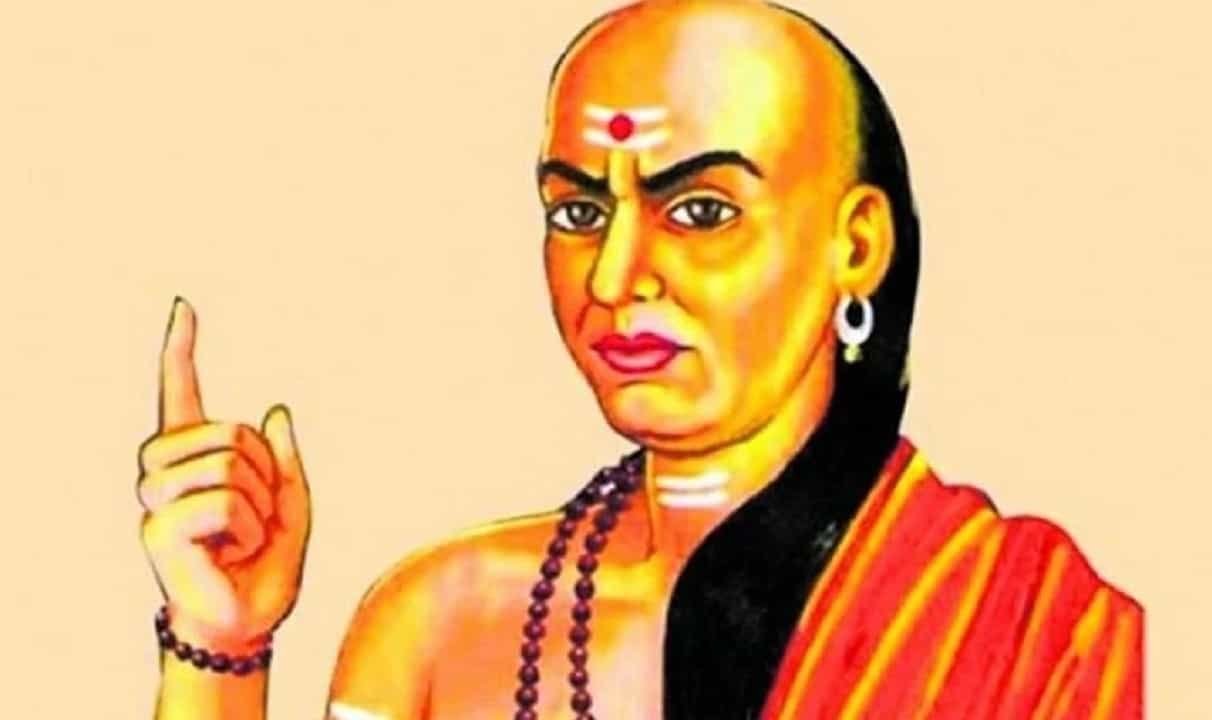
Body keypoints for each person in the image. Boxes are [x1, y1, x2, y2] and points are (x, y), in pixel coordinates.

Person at [135, 1, 1143, 718]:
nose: (614, 276)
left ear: (856, 244)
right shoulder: (439, 622)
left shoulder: (1027, 628)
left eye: (698, 211)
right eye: (578, 212)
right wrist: (220, 647)